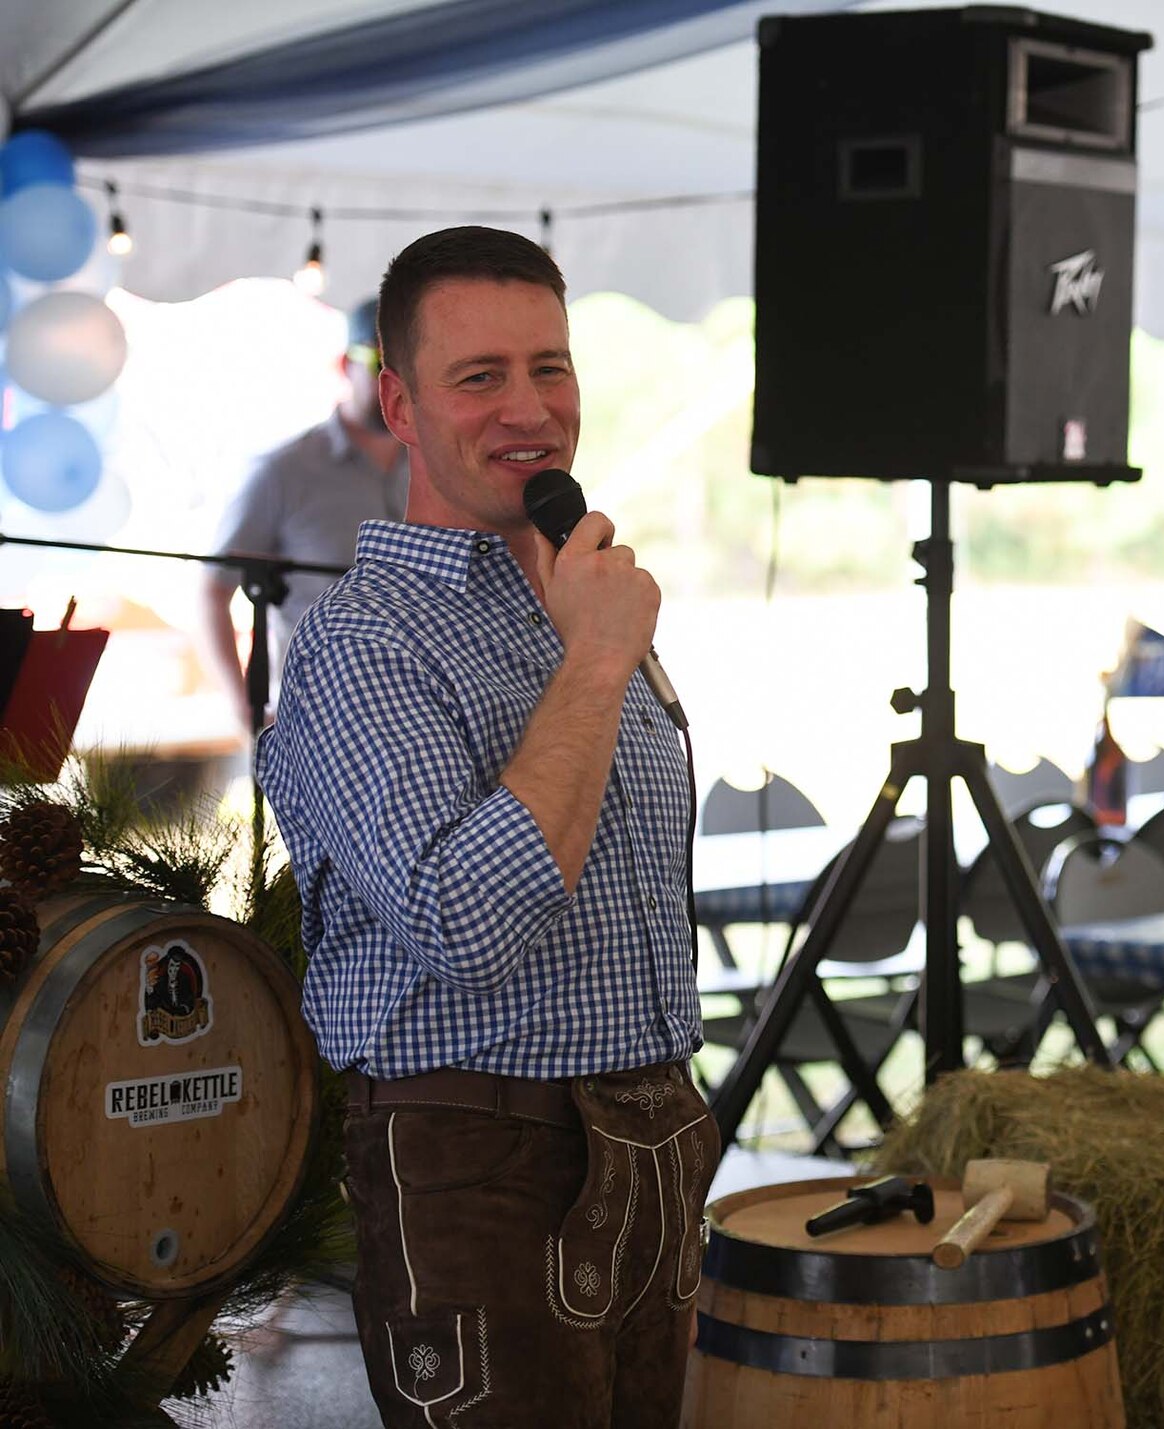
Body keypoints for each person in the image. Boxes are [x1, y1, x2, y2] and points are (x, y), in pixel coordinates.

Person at [256, 226, 716, 1428]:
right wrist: (601, 660)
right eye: (481, 377)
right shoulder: (366, 644)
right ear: (398, 403)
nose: (530, 408)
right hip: (482, 1165)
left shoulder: (569, 598)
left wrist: (591, 641)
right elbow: (465, 921)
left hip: (651, 1144)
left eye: (550, 367)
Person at [199, 298, 409, 734]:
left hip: (424, 717)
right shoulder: (283, 472)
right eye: (379, 363)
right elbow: (212, 592)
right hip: (319, 724)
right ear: (342, 365)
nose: (394, 383)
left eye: (410, 367)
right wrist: (246, 713)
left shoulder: (445, 468)